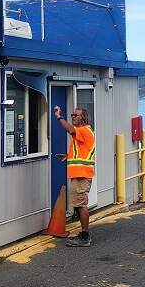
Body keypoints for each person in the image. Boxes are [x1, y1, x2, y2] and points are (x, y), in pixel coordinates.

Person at [53, 105, 95, 247]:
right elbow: (81, 152)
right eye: (72, 115)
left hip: (82, 175)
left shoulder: (84, 130)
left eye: (75, 115)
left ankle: (85, 236)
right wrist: (67, 156)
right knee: (78, 204)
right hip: (79, 174)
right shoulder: (83, 133)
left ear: (84, 117)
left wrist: (59, 117)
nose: (73, 117)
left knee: (81, 205)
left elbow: (70, 129)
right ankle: (84, 234)